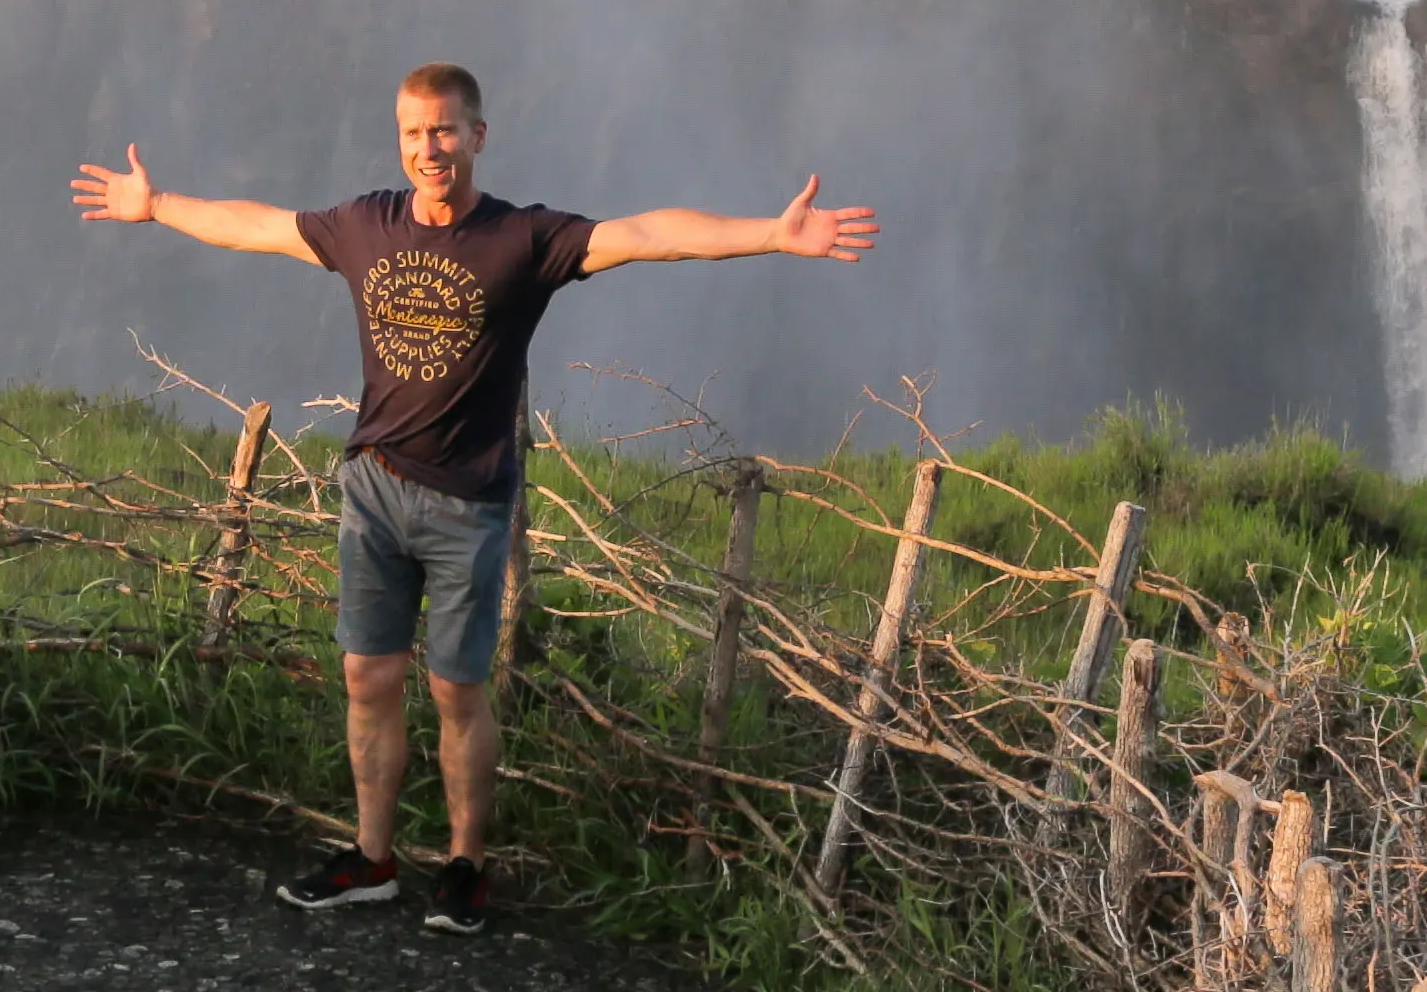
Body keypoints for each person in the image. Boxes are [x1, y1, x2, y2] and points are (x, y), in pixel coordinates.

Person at [69, 62, 874, 925]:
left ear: (478, 136)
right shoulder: (364, 225)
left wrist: (771, 233)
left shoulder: (522, 241)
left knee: (457, 689)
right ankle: (372, 860)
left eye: (446, 130)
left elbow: (645, 233)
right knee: (367, 675)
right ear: (400, 140)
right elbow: (258, 226)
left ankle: (464, 866)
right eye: (415, 133)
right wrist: (154, 206)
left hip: (471, 504)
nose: (431, 148)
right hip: (374, 489)